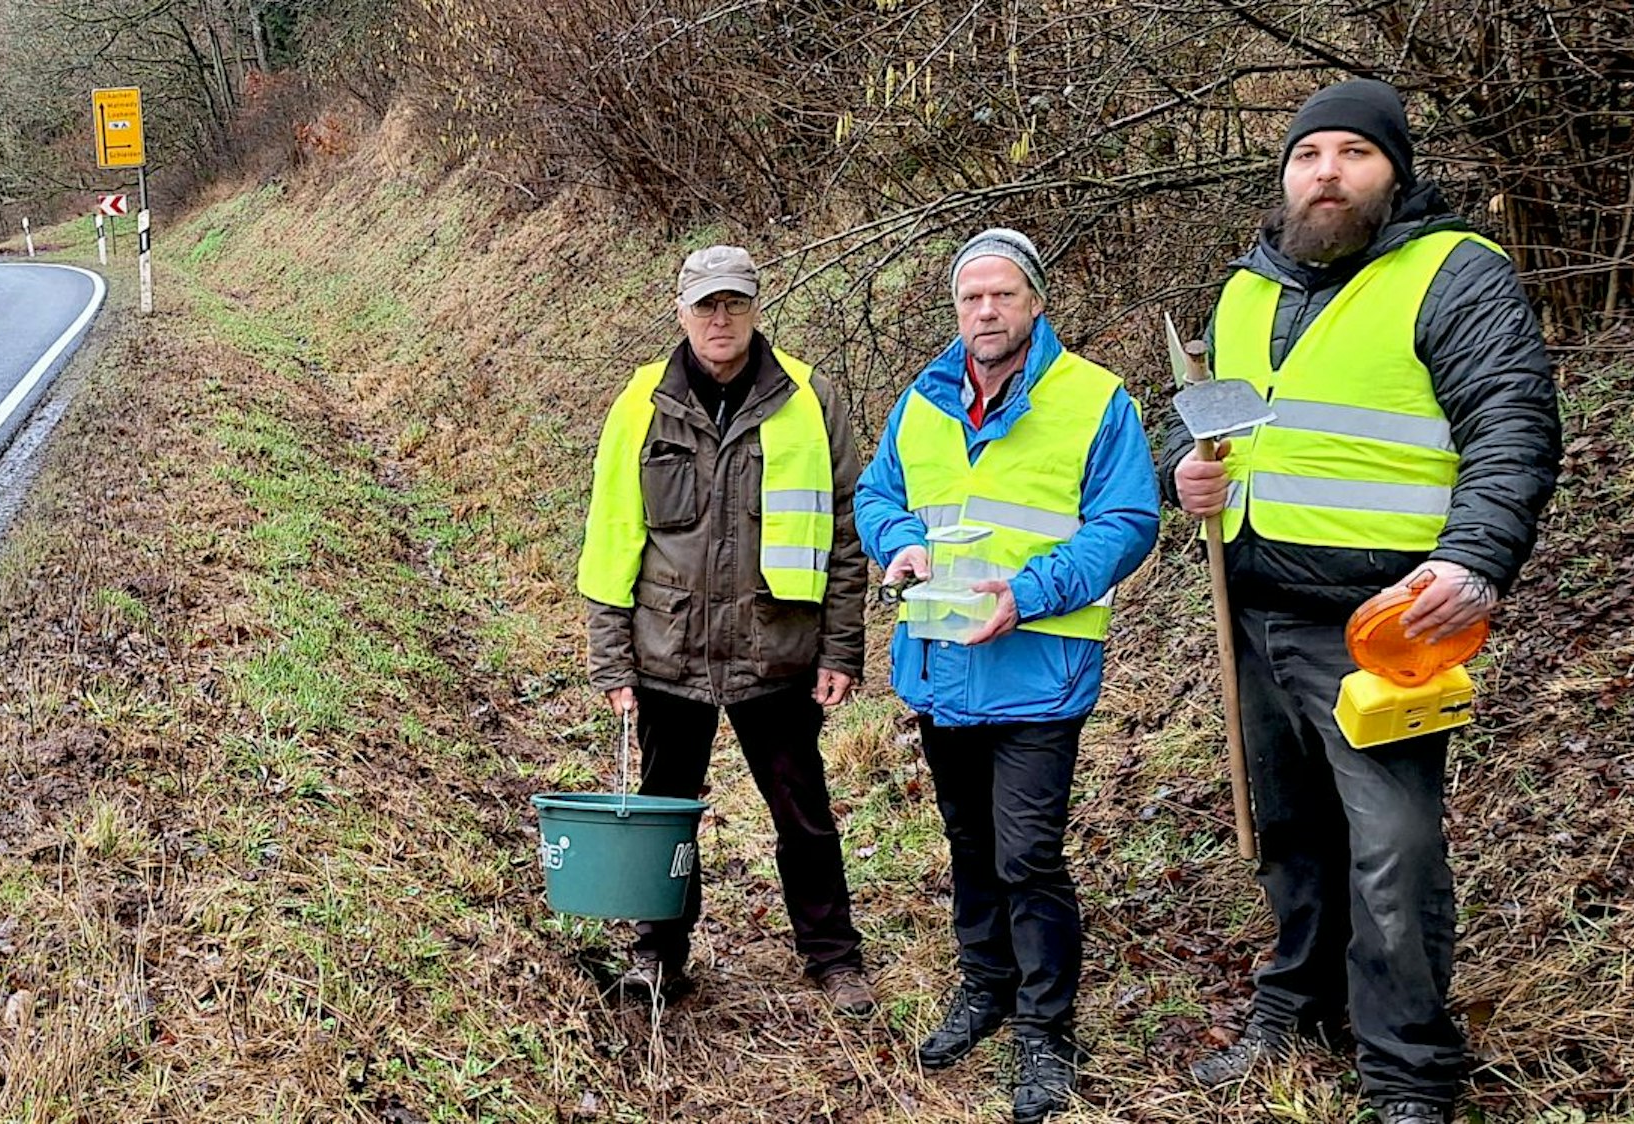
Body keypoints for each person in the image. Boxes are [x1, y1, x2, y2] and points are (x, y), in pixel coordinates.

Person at [1162, 79, 1561, 1124]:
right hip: (1250, 607)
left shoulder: (1453, 275)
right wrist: (1188, 475)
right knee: (1289, 834)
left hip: (1378, 627)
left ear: (1394, 172)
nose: (1325, 171)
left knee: (1394, 850)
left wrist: (1475, 556)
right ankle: (1296, 1006)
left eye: (1352, 153)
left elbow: (1511, 420)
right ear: (1283, 174)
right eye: (1307, 155)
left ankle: (1407, 1072)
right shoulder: (1245, 289)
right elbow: (1220, 432)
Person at [855, 228, 1159, 1122]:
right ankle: (984, 991)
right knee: (969, 845)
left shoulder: (1094, 399)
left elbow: (1128, 522)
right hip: (941, 667)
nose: (984, 312)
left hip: (1036, 668)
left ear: (1033, 302)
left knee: (1027, 855)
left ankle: (1044, 1029)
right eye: (968, 298)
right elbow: (877, 494)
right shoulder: (922, 398)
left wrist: (1027, 593)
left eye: (1000, 295)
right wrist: (898, 542)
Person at [577, 245, 875, 1017]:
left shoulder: (809, 397)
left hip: (775, 651)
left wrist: (840, 646)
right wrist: (611, 658)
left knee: (802, 814)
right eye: (706, 304)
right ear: (679, 310)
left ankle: (833, 960)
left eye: (733, 303)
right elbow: (611, 535)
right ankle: (657, 954)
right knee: (661, 814)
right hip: (667, 653)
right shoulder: (640, 401)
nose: (720, 319)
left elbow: (846, 534)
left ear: (754, 308)